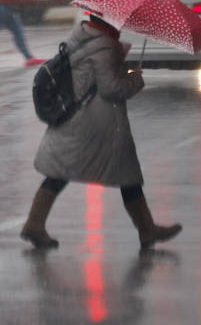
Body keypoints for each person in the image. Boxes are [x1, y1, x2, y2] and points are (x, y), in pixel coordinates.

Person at [20, 13, 182, 250]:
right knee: (126, 175)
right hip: (94, 126)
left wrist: (120, 63)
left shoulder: (85, 38)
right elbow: (111, 88)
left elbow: (93, 78)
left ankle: (35, 223)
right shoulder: (103, 46)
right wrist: (135, 79)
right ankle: (146, 229)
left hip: (78, 121)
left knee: (62, 172)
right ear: (110, 22)